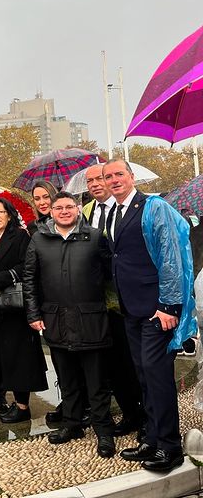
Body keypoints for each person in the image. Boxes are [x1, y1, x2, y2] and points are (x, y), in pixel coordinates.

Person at [103, 159, 196, 472]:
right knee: (144, 377)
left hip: (157, 311)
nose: (114, 180)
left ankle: (170, 449)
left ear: (131, 177)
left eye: (119, 174)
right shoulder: (115, 212)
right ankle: (153, 439)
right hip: (131, 310)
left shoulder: (153, 207)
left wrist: (169, 306)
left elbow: (171, 254)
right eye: (109, 176)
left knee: (157, 379)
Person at [23, 191, 116, 459]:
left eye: (69, 207)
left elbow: (110, 273)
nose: (64, 211)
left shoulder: (95, 237)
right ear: (50, 211)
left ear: (78, 209)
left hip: (91, 319)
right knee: (67, 379)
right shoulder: (39, 239)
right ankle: (72, 425)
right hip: (55, 320)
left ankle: (103, 430)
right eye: (58, 207)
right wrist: (33, 314)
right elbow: (29, 280)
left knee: (96, 381)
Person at [82, 164, 144, 438]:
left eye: (100, 178)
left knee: (135, 363)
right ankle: (130, 414)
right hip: (97, 303)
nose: (96, 184)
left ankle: (146, 416)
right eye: (91, 180)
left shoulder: (125, 211)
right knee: (113, 366)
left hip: (124, 301)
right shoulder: (85, 212)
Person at [0, 198, 48, 424]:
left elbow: (27, 265)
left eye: (0, 212)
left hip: (14, 306)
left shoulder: (19, 236)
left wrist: (0, 278)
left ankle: (23, 406)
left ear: (9, 215)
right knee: (1, 355)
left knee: (19, 356)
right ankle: (5, 400)